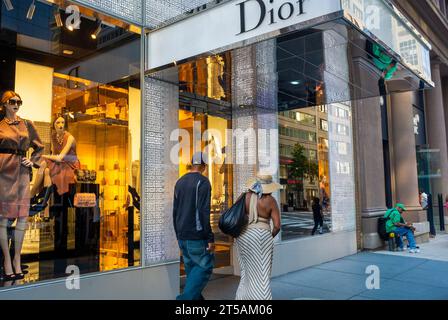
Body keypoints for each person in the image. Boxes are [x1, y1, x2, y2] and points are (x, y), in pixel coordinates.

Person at [0, 91, 44, 280]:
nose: (17, 104)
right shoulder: (0, 126)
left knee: (23, 216)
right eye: (13, 101)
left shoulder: (27, 124)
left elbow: (40, 147)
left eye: (19, 101)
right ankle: (6, 260)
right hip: (4, 172)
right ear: (4, 104)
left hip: (23, 173)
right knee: (3, 217)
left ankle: (17, 258)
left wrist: (32, 161)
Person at [173, 152, 214, 300]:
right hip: (196, 237)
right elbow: (204, 211)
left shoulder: (180, 182)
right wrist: (210, 237)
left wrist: (178, 235)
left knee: (192, 276)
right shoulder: (203, 182)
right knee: (204, 267)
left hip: (183, 236)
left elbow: (175, 211)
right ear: (203, 166)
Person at [235, 174, 281, 300]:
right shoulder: (270, 201)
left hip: (243, 236)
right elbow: (277, 226)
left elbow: (235, 215)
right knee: (262, 273)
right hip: (262, 236)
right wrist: (268, 237)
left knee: (246, 272)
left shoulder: (243, 197)